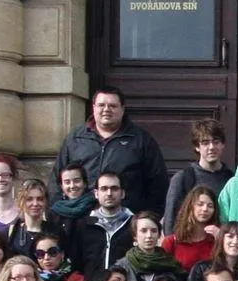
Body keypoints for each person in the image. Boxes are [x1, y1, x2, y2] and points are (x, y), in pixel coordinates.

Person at [55, 86, 170, 216]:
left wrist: (149, 218)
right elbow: (57, 179)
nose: (106, 110)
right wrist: (58, 213)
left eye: (112, 106)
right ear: (93, 108)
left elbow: (158, 185)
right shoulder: (75, 139)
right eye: (101, 105)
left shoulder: (141, 140)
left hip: (127, 222)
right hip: (80, 220)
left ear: (122, 109)